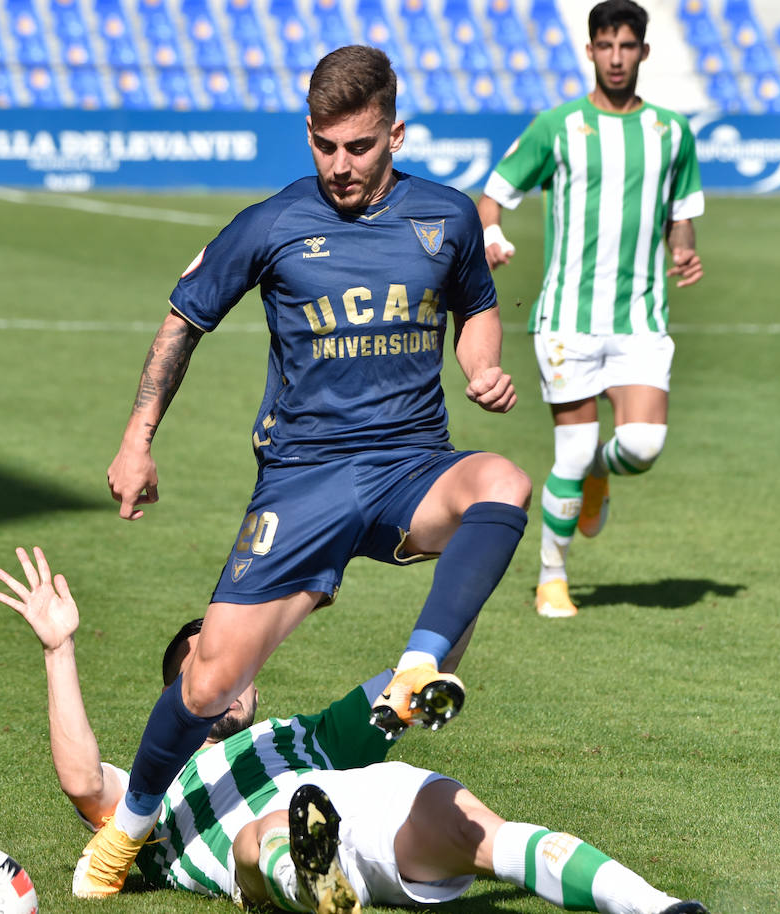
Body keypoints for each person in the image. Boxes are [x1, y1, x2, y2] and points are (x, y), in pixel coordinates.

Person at [99, 44, 534, 898]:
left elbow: (477, 306)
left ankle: (420, 667)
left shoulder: (446, 217)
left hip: (412, 468)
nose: (340, 166)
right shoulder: (271, 223)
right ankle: (129, 829)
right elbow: (185, 319)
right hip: (302, 483)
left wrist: (481, 366)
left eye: (360, 147)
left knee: (505, 482)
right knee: (211, 679)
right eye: (325, 147)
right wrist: (137, 438)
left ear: (395, 135)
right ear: (308, 134)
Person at [0, 545, 710, 914]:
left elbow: (426, 666)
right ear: (174, 694)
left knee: (479, 833)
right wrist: (60, 651)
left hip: (357, 804)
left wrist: (471, 573)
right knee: (265, 834)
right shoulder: (156, 787)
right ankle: (317, 883)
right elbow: (85, 782)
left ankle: (656, 906)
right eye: (202, 668)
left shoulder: (306, 734)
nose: (224, 679)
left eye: (234, 666)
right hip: (261, 867)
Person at [476, 0, 704, 619]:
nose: (616, 58)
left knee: (643, 444)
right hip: (568, 320)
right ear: (590, 51)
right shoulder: (558, 126)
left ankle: (602, 476)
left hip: (640, 320)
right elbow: (492, 197)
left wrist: (684, 253)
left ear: (643, 53)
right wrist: (493, 238)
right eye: (605, 46)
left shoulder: (673, 132)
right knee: (570, 454)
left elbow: (681, 211)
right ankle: (553, 576)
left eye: (627, 46)